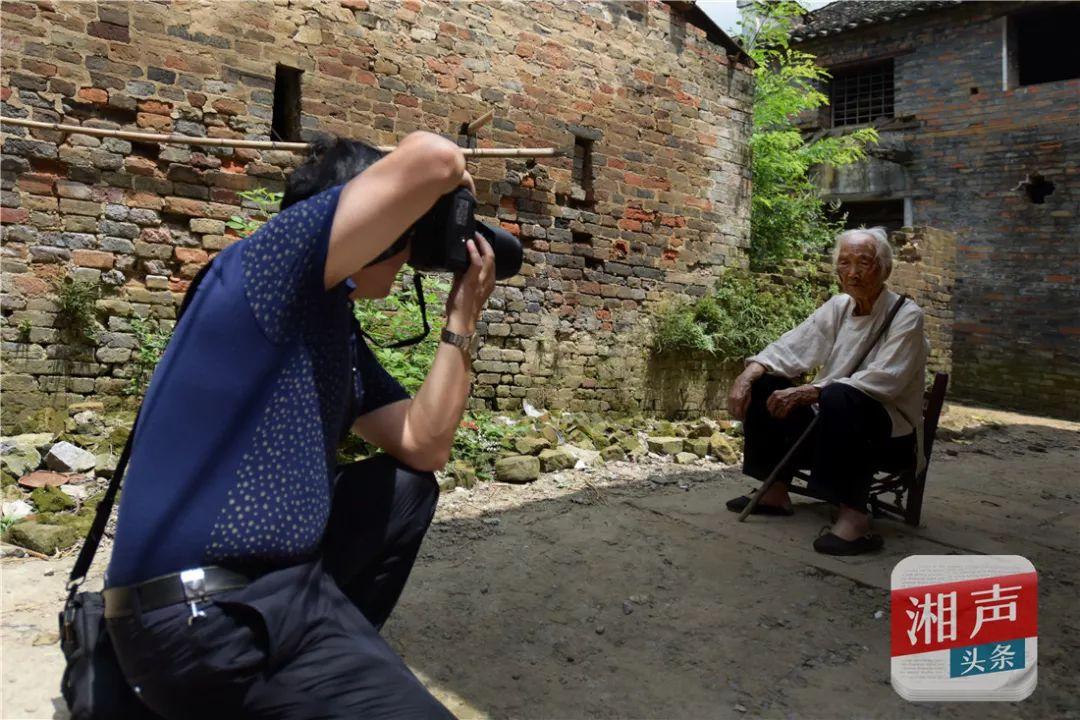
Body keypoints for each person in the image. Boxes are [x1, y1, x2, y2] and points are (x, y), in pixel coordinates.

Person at [103, 131, 495, 718]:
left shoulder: (331, 325)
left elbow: (424, 442)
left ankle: (338, 650)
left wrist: (461, 318)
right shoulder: (268, 265)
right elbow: (435, 158)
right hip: (201, 616)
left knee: (406, 490)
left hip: (287, 596)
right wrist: (452, 193)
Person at [725, 227, 929, 556]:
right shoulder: (840, 307)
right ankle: (775, 492)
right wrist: (748, 375)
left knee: (840, 396)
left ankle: (854, 518)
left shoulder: (907, 316)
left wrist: (813, 391)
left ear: (885, 268)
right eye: (844, 263)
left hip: (886, 432)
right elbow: (792, 347)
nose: (852, 272)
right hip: (831, 417)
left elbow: (885, 380)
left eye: (863, 262)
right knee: (767, 382)